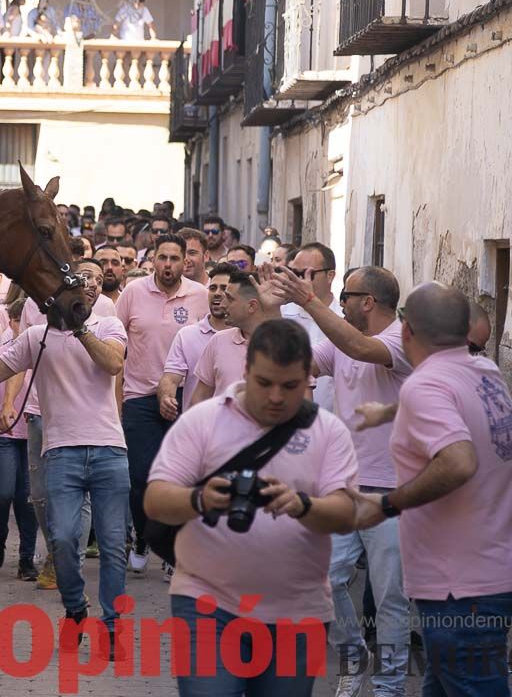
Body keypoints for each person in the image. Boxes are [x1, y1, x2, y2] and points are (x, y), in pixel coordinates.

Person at [145, 319, 360, 697]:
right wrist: (200, 499)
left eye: (290, 386)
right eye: (264, 383)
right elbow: (156, 499)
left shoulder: (328, 431)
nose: (276, 396)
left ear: (308, 379)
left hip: (297, 611)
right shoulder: (202, 421)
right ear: (245, 371)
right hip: (207, 603)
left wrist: (302, 505)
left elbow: (346, 514)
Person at [350, 283, 512, 696]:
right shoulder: (484, 371)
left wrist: (387, 503)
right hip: (500, 572)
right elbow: (448, 398)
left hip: (461, 589)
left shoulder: (426, 386)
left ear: (406, 330)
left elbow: (458, 461)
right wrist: (388, 411)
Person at [0, 258, 130, 649]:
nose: (90, 286)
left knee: (112, 545)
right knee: (64, 540)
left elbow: (113, 363)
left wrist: (80, 328)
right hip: (61, 453)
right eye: (82, 280)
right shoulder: (36, 336)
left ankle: (111, 625)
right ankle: (75, 608)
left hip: (108, 450)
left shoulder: (108, 325)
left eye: (95, 282)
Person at [272, 264, 414, 697]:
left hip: (392, 493)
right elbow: (298, 361)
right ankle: (355, 657)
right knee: (323, 577)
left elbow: (360, 346)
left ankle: (389, 688)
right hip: (346, 490)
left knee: (390, 598)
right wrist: (267, 310)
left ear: (367, 302)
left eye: (346, 297)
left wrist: (308, 300)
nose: (341, 304)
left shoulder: (401, 341)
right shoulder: (343, 341)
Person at [114, 234, 209, 573]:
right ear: (153, 259)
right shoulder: (133, 293)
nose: (168, 264)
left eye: (174, 258)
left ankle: (174, 550)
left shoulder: (201, 296)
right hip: (140, 397)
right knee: (141, 476)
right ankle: (143, 535)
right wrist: (116, 400)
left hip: (186, 396)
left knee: (182, 477)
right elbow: (115, 344)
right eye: (162, 258)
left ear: (186, 261)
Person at [0, 298, 38, 580]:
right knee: (3, 493)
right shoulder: (2, 356)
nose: (21, 327)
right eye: (17, 321)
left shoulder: (39, 355)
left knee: (28, 499)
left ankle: (26, 559)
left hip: (32, 434)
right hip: (3, 434)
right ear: (11, 322)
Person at [158, 263, 236, 420]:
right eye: (212, 288)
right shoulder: (187, 335)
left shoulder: (248, 335)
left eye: (224, 288)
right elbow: (170, 378)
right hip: (196, 425)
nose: (217, 293)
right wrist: (166, 398)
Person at [281, 243, 344, 412]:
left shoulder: (344, 320)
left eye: (308, 274)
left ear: (330, 276)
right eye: (295, 274)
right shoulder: (281, 315)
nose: (300, 281)